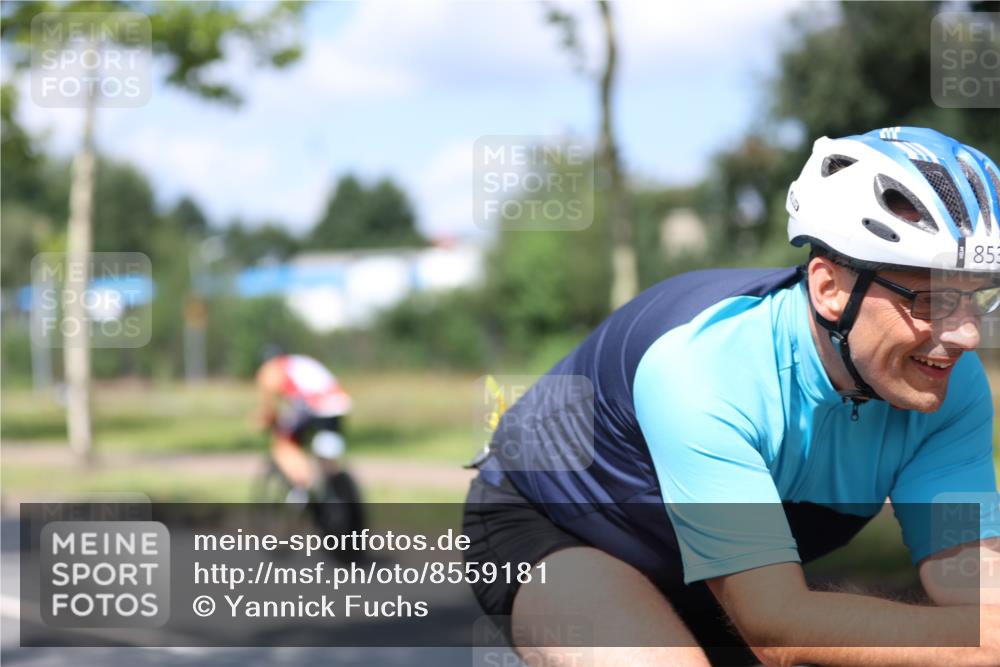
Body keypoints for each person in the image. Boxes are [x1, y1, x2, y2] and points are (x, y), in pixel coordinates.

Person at [463, 127, 1000, 666]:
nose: (967, 335)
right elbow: (777, 627)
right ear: (830, 289)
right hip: (555, 525)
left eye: (979, 297)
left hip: (705, 561)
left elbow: (979, 597)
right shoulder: (705, 370)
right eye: (933, 300)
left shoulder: (951, 385)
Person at [255, 348, 352, 501]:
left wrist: (264, 421)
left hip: (313, 405)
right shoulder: (300, 362)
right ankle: (330, 488)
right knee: (326, 458)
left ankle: (301, 489)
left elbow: (270, 410)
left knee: (284, 443)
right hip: (338, 403)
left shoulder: (272, 369)